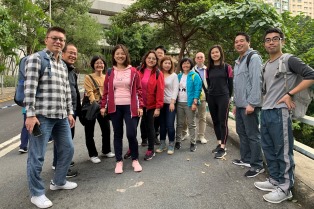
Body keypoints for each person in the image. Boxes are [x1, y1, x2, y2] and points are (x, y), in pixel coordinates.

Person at [254, 28, 314, 203]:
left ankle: (286, 188)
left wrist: (289, 94)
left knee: (283, 151)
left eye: (275, 39)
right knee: (269, 148)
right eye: (268, 40)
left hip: (280, 112)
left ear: (282, 41)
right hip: (265, 111)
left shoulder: (288, 59)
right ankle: (275, 180)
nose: (271, 42)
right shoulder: (266, 65)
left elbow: (311, 75)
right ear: (264, 44)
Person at [24, 26, 77, 208]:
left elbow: (66, 92)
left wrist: (70, 112)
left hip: (61, 117)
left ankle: (59, 182)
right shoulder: (36, 59)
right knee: (36, 156)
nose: (58, 42)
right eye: (54, 38)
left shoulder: (62, 65)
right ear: (46, 39)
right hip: (42, 117)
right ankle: (36, 193)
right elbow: (29, 89)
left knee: (68, 149)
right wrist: (30, 115)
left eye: (61, 39)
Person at [100, 44, 143, 174]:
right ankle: (119, 161)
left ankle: (135, 159)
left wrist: (140, 106)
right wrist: (103, 106)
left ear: (126, 55)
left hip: (131, 107)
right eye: (117, 53)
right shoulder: (110, 72)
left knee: (131, 134)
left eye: (122, 53)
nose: (120, 56)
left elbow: (139, 90)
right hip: (115, 107)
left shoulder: (133, 71)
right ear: (114, 56)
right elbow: (106, 91)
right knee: (117, 134)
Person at [232, 32, 265, 178]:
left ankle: (257, 165)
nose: (238, 43)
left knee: (253, 135)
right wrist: (234, 103)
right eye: (236, 42)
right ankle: (246, 159)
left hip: (249, 105)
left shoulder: (254, 58)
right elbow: (237, 84)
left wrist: (252, 103)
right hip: (239, 105)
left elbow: (257, 81)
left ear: (248, 42)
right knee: (242, 132)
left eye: (241, 41)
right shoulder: (238, 61)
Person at [51, 44, 80, 178]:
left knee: (66, 139)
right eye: (70, 53)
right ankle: (61, 167)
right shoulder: (60, 67)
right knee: (64, 140)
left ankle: (60, 162)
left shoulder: (70, 70)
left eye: (75, 53)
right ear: (63, 54)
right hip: (64, 111)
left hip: (71, 110)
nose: (73, 55)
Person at [83, 56, 114, 164]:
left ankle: (106, 150)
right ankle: (93, 154)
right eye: (96, 63)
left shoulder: (107, 77)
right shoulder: (88, 77)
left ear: (104, 65)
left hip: (103, 106)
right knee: (89, 131)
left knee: (106, 129)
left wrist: (104, 106)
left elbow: (110, 92)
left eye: (101, 63)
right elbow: (89, 91)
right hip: (92, 107)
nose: (99, 65)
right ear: (93, 65)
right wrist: (96, 103)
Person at [206, 45, 233, 159]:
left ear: (220, 53)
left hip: (223, 97)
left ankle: (223, 147)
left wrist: (229, 97)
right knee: (215, 121)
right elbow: (209, 83)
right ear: (210, 55)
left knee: (223, 122)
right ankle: (218, 143)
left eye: (217, 52)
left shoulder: (227, 67)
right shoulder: (209, 69)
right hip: (212, 97)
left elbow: (230, 84)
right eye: (213, 53)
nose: (215, 54)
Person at [138, 50, 165, 160]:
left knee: (150, 127)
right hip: (138, 104)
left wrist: (158, 107)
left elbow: (160, 91)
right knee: (134, 126)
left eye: (154, 58)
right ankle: (132, 148)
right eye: (149, 58)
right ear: (145, 58)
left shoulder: (158, 73)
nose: (151, 60)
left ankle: (150, 149)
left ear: (156, 61)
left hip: (151, 105)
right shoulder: (138, 70)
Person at [175, 58, 202, 152]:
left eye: (187, 63)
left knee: (191, 124)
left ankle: (193, 143)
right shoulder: (178, 76)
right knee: (179, 124)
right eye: (183, 63)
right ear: (181, 65)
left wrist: (195, 102)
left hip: (190, 103)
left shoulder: (195, 76)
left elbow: (198, 89)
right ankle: (177, 141)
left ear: (190, 65)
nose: (185, 65)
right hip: (179, 103)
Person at [156, 56, 179, 155]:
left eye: (169, 63)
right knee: (162, 125)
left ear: (171, 65)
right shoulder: (158, 74)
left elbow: (175, 89)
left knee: (170, 124)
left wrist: (172, 102)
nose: (167, 65)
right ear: (161, 64)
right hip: (160, 103)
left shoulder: (174, 75)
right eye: (165, 63)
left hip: (170, 103)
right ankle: (162, 144)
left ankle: (171, 144)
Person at [192, 52, 208, 144]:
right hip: (192, 97)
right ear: (195, 59)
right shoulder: (191, 70)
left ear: (204, 59)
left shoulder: (208, 70)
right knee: (188, 117)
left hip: (203, 97)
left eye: (201, 57)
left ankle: (201, 136)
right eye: (198, 57)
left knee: (202, 117)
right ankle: (184, 133)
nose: (199, 59)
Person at [154, 45, 167, 145]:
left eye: (161, 53)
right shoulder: (151, 65)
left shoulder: (166, 66)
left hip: (163, 97)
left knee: (159, 119)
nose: (159, 54)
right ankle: (145, 137)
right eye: (158, 52)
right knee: (149, 118)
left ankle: (156, 136)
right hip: (151, 96)